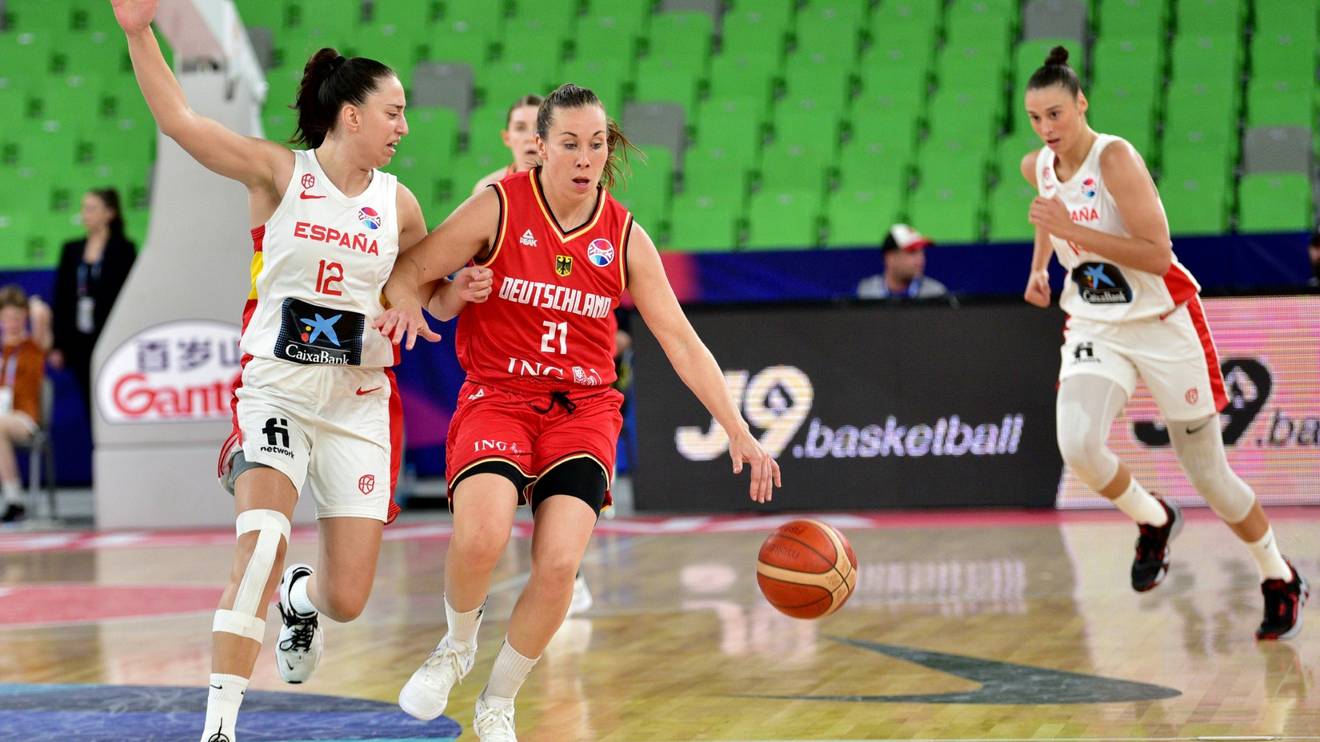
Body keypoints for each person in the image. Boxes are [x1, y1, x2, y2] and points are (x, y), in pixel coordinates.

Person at [378, 83, 781, 739]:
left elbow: (679, 338)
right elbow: (414, 268)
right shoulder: (498, 207)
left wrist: (739, 430)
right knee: (480, 537)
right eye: (570, 143)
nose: (585, 156)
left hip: (583, 409)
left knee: (560, 563)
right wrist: (406, 299)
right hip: (499, 397)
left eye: (596, 143)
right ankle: (454, 647)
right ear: (539, 147)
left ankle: (499, 699)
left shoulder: (622, 234)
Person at [112, 1, 438, 739]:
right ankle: (221, 725)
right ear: (350, 115)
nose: (404, 127)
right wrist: (139, 32)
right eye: (393, 111)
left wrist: (454, 291)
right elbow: (182, 124)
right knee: (260, 542)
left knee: (348, 599)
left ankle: (305, 597)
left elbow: (427, 286)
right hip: (276, 394)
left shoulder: (401, 205)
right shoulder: (277, 174)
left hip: (358, 404)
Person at [1019, 46, 1307, 640]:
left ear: (1081, 104)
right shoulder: (1039, 164)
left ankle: (1278, 575)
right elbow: (1047, 214)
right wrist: (1041, 266)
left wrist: (1076, 232)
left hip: (1161, 321)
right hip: (1095, 323)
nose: (1047, 129)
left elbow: (1157, 254)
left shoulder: (1115, 158)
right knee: (1077, 445)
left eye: (1056, 114)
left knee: (1211, 477)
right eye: (1036, 118)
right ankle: (1155, 519)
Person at [50, 188, 137, 423]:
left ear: (109, 213)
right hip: (78, 338)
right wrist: (58, 343)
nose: (84, 214)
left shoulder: (124, 249)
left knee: (110, 399)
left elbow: (128, 296)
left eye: (91, 209)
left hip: (110, 334)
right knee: (89, 403)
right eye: (83, 209)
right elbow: (62, 297)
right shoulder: (71, 249)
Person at [0, 286, 51, 523]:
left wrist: (32, 305)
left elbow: (41, 313)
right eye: (7, 318)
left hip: (25, 418)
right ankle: (12, 499)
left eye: (17, 317)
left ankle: (14, 499)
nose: (12, 323)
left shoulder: (34, 345)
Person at [471, 94, 542, 196]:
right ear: (507, 138)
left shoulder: (568, 189)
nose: (530, 137)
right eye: (520, 128)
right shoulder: (487, 190)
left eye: (539, 127)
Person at [856, 224, 949, 299]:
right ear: (890, 258)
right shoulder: (866, 292)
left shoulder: (936, 294)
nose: (920, 259)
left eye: (921, 252)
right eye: (912, 252)